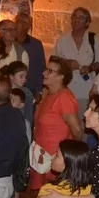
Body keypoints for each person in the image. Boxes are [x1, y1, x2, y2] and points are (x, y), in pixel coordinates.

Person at [30, 56, 83, 190]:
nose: (44, 73)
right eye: (45, 70)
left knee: (52, 194)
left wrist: (70, 156)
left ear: (61, 77)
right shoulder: (48, 92)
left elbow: (77, 130)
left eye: (50, 71)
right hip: (42, 154)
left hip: (54, 158)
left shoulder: (65, 98)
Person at [53, 7, 99, 114]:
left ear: (87, 22)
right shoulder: (62, 40)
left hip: (86, 91)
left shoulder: (93, 40)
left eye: (81, 17)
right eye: (74, 17)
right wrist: (66, 63)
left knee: (83, 120)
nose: (76, 19)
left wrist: (90, 68)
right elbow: (54, 61)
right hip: (66, 89)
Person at [14, 14, 46, 97]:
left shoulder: (36, 44)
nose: (16, 24)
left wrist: (39, 90)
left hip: (29, 88)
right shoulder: (8, 42)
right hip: (11, 87)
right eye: (16, 21)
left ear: (26, 26)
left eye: (19, 21)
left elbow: (40, 68)